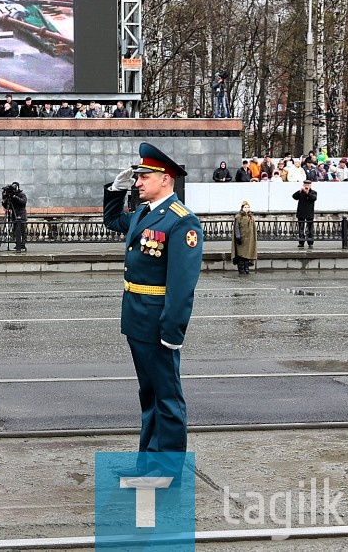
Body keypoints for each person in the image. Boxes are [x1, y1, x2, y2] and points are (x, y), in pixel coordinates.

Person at [102, 143, 203, 469]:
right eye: (137, 177)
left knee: (168, 399)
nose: (138, 182)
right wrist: (113, 191)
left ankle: (169, 471)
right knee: (150, 396)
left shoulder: (181, 222)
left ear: (166, 179)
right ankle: (148, 465)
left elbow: (181, 285)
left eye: (144, 176)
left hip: (159, 324)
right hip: (137, 320)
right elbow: (113, 220)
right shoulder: (145, 215)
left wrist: (172, 331)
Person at [231, 200, 258, 274]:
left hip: (249, 239)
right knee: (241, 255)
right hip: (241, 239)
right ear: (242, 208)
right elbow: (236, 227)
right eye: (245, 207)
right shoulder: (238, 217)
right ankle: (241, 270)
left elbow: (253, 229)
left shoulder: (251, 217)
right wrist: (238, 236)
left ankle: (246, 269)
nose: (246, 208)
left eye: (248, 207)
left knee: (247, 255)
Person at [2, 181, 28, 252]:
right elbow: (7, 206)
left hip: (21, 216)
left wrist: (15, 197)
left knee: (22, 232)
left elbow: (23, 202)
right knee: (15, 231)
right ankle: (17, 245)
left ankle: (22, 246)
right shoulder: (10, 196)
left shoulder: (21, 194)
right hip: (14, 216)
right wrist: (4, 199)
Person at [292, 180, 317, 248]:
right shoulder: (301, 192)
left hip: (309, 212)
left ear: (310, 185)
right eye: (305, 185)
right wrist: (299, 191)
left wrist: (307, 192)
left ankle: (310, 242)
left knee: (310, 229)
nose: (306, 186)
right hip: (301, 212)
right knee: (301, 228)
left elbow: (313, 198)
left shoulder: (313, 192)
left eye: (308, 185)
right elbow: (294, 196)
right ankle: (301, 242)